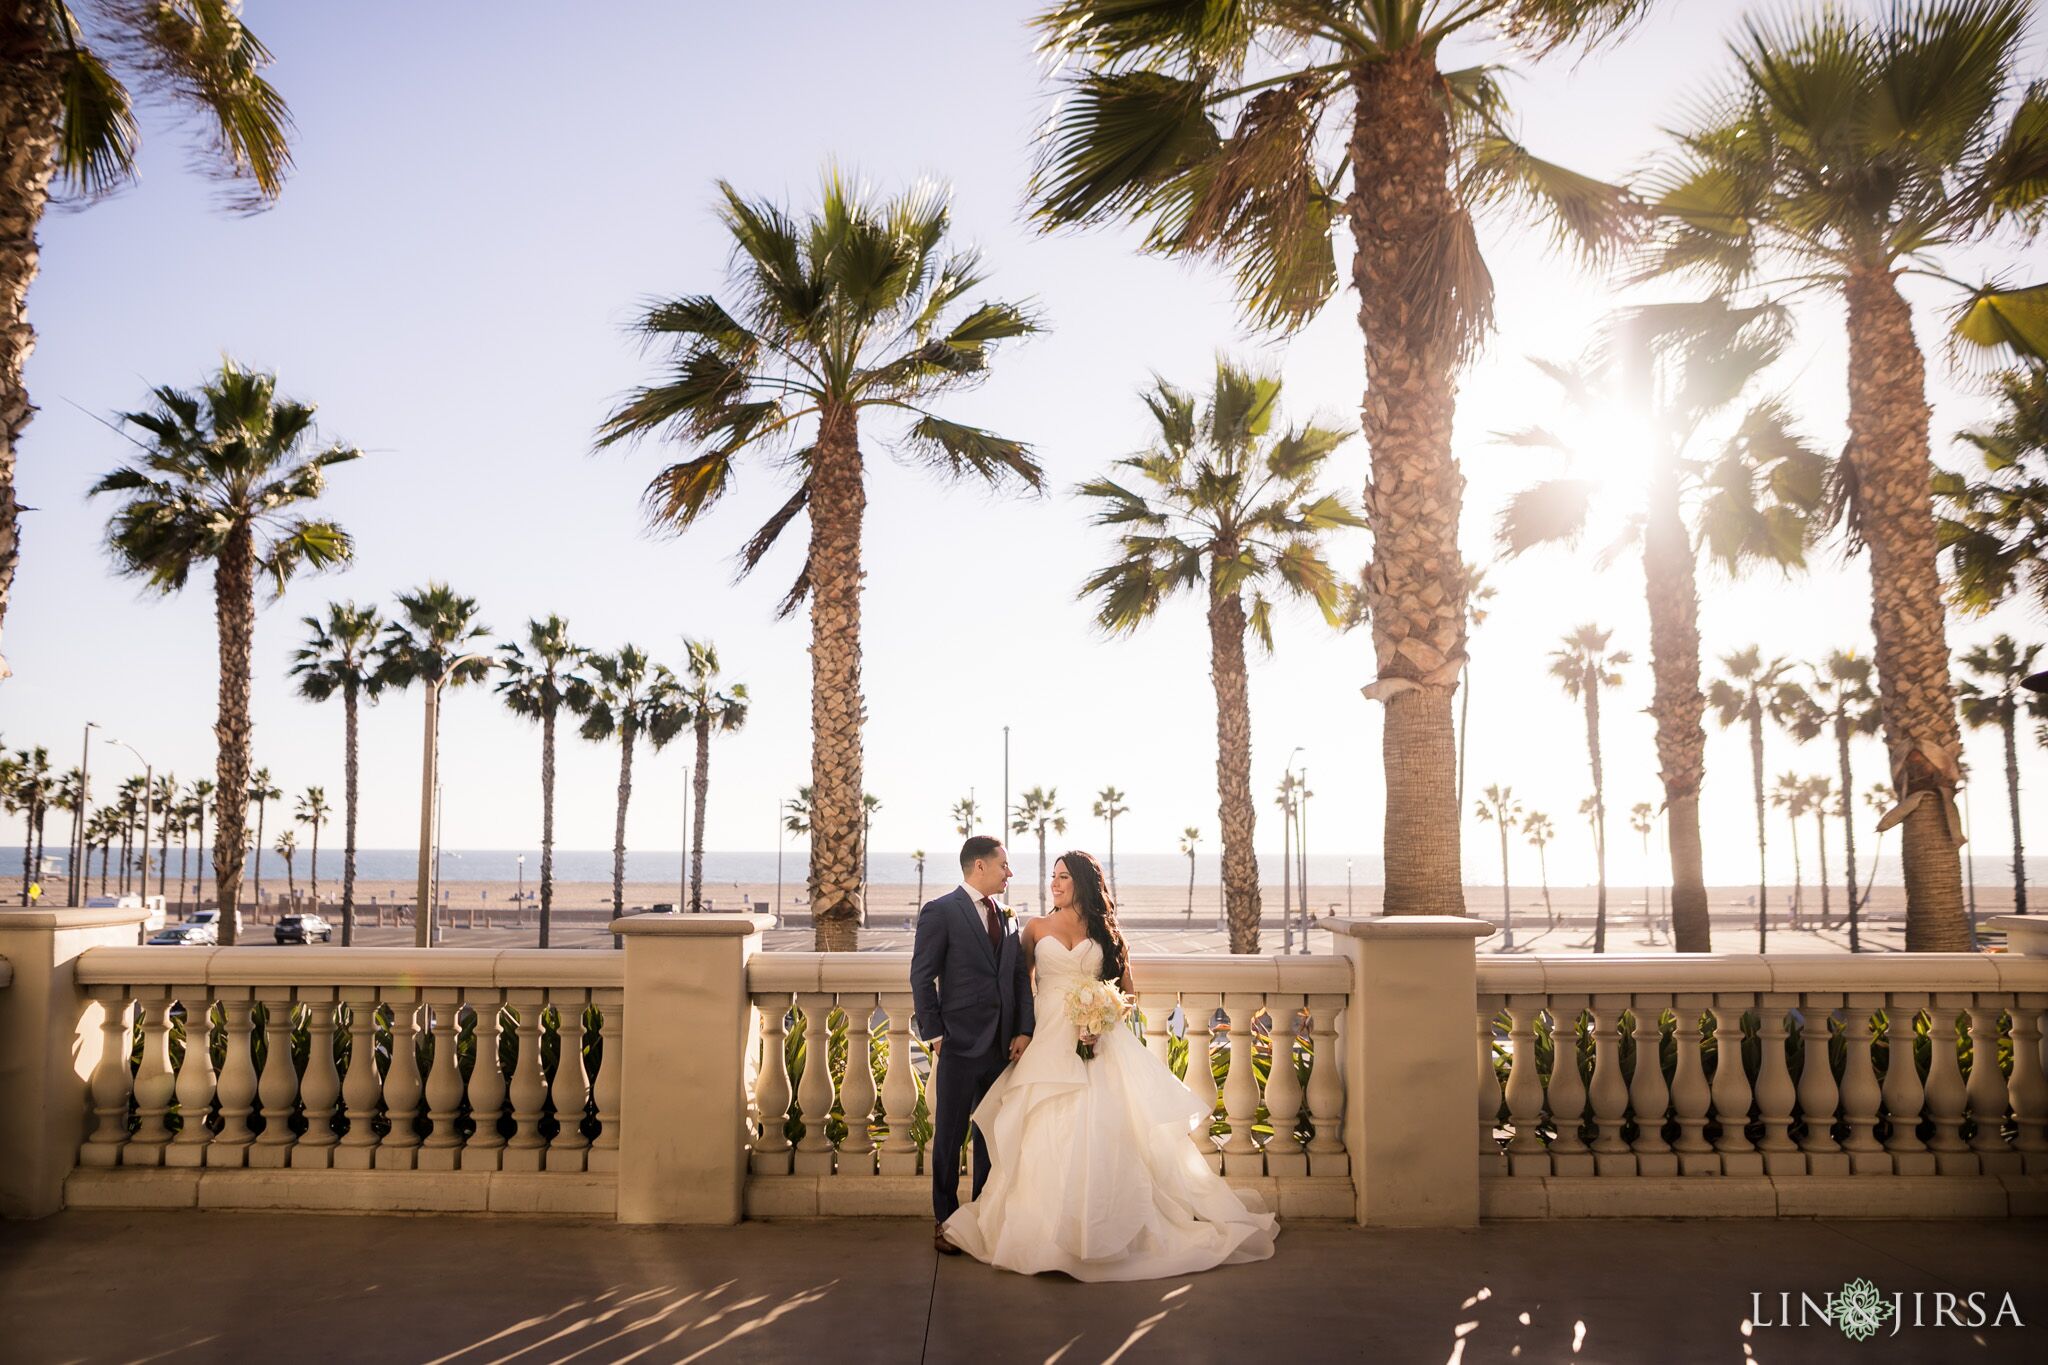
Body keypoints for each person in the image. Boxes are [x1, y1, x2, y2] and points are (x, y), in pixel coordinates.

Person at [941, 849, 1277, 1281]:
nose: (1055, 884)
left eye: (1063, 877)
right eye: (1054, 877)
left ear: (1081, 881)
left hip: (1099, 1044)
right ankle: (1044, 1228)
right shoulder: (1035, 928)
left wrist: (1102, 1017)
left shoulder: (1106, 931)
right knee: (1044, 1128)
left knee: (1102, 1129)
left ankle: (1106, 1229)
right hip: (1048, 1041)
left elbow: (1128, 992)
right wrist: (1023, 1032)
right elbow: (1021, 989)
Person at [910, 836, 1033, 1254]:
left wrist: (1024, 1030)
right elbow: (921, 977)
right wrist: (936, 1035)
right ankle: (944, 1222)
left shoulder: (1010, 916)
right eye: (1004, 866)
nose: (1009, 873)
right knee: (949, 1135)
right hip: (959, 1045)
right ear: (979, 867)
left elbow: (1018, 978)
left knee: (990, 1137)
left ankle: (981, 1215)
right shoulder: (941, 912)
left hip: (1002, 1047)